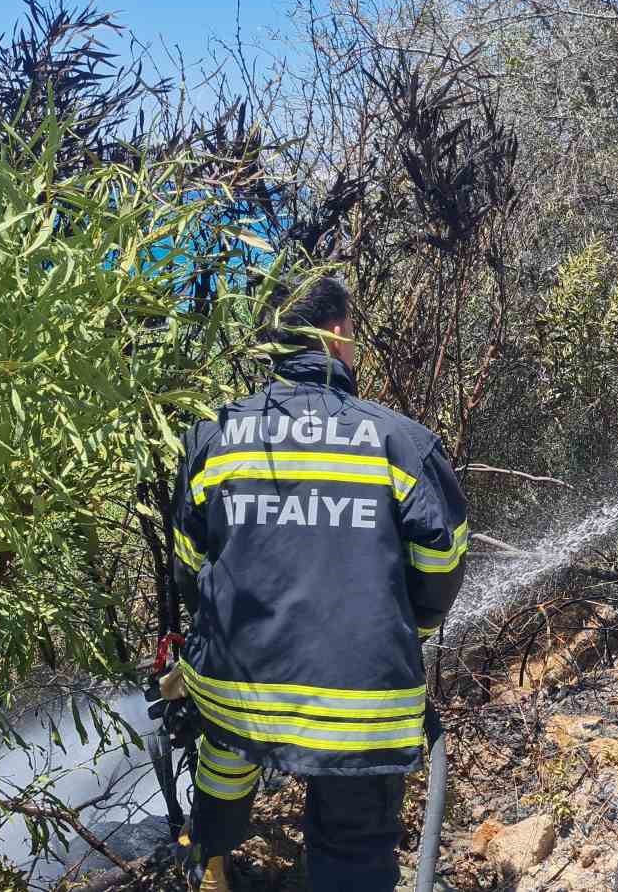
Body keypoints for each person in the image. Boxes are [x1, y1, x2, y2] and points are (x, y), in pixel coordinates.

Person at [164, 276, 469, 891]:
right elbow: (442, 561)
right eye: (352, 333)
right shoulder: (399, 441)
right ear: (334, 334)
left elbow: (189, 564)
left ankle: (212, 864)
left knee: (225, 753)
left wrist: (215, 641)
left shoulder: (215, 436)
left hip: (237, 689)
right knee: (352, 846)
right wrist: (409, 629)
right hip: (360, 705)